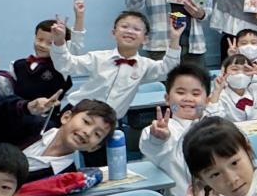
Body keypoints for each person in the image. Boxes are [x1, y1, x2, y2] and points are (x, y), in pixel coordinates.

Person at [48, 11, 182, 118]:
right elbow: (66, 65)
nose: (129, 31)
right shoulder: (98, 58)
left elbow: (169, 70)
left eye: (136, 29)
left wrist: (175, 38)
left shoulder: (145, 66)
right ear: (114, 33)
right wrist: (59, 42)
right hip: (77, 112)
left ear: (145, 39)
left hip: (107, 121)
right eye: (124, 26)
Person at [139, 64, 211, 196]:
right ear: (167, 99)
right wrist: (158, 139)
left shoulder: (216, 127)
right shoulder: (164, 129)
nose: (188, 98)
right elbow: (151, 146)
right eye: (181, 92)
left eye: (196, 94)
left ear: (207, 100)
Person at [11, 0, 86, 101]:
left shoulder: (62, 66)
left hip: (48, 111)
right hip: (21, 109)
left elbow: (76, 45)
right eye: (40, 39)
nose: (42, 45)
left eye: (50, 43)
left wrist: (79, 17)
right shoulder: (18, 65)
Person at [207, 30, 257, 120]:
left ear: (252, 75)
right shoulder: (221, 96)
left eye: (246, 70)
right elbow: (212, 118)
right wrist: (232, 58)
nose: (240, 74)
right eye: (235, 69)